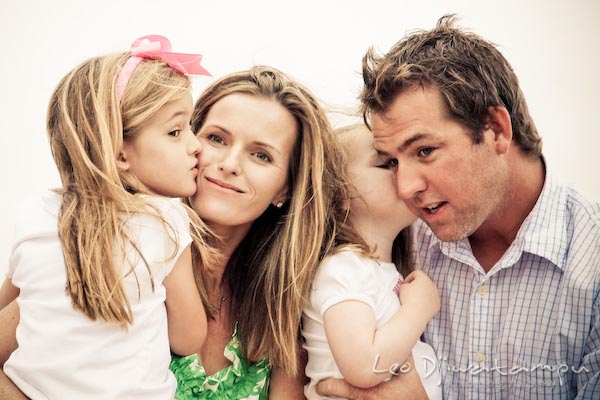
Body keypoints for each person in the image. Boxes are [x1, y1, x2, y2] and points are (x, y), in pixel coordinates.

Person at [317, 14, 600, 400]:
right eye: (391, 161)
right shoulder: (394, 238)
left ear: (496, 129)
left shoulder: (591, 260)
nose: (405, 187)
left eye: (425, 151)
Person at [0, 35, 216, 399]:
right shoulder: (165, 222)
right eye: (176, 131)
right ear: (119, 154)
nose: (196, 145)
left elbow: (10, 299)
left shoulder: (35, 214)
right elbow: (188, 337)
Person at [167, 66, 362, 399]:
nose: (229, 163)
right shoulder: (139, 261)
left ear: (284, 189)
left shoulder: (282, 305)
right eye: (216, 138)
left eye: (260, 155)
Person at [302, 123, 442, 400]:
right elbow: (365, 367)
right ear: (339, 194)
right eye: (387, 163)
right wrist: (419, 309)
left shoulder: (376, 270)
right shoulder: (343, 268)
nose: (406, 176)